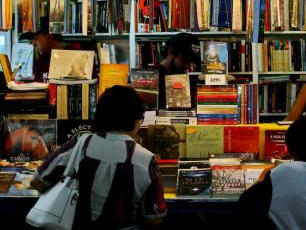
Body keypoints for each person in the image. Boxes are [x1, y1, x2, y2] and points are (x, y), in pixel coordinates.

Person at [30, 85, 167, 229]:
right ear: (136, 120)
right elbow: (154, 219)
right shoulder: (146, 161)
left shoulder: (80, 143)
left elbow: (38, 181)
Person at [157, 32, 200, 109]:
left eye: (190, 62)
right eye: (184, 60)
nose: (187, 67)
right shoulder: (153, 77)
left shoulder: (186, 79)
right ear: (171, 52)